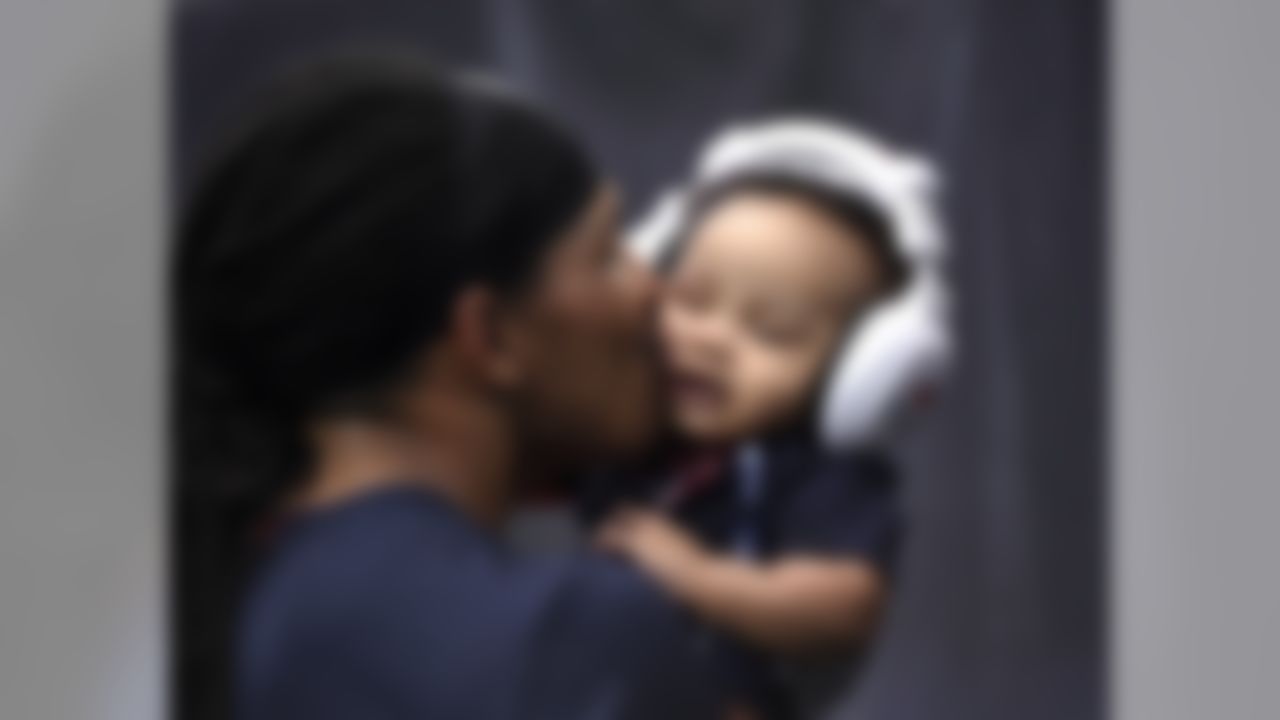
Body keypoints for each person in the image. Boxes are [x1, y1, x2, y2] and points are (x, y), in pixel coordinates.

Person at [174, 57, 726, 720]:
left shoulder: (226, 622)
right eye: (607, 253)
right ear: (489, 336)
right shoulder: (574, 636)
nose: (653, 289)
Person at [586, 120, 948, 718]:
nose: (709, 341)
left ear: (856, 372)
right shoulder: (645, 425)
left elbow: (845, 607)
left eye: (770, 332)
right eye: (692, 300)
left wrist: (700, 578)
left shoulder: (816, 473)